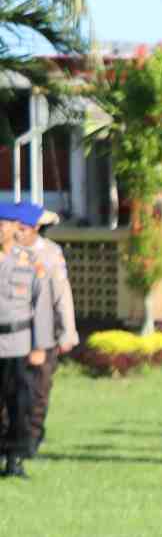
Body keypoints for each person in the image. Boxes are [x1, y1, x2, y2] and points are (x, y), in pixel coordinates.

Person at [16, 205, 78, 457]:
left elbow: (61, 295)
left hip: (43, 334)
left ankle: (32, 439)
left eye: (21, 228)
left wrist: (68, 332)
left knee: (39, 390)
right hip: (11, 334)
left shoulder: (51, 254)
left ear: (35, 228)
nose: (16, 233)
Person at [0, 202, 53, 479]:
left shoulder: (30, 263)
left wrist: (39, 345)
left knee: (19, 403)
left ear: (14, 228)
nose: (0, 229)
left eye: (4, 224)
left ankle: (14, 459)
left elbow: (41, 307)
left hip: (19, 342)